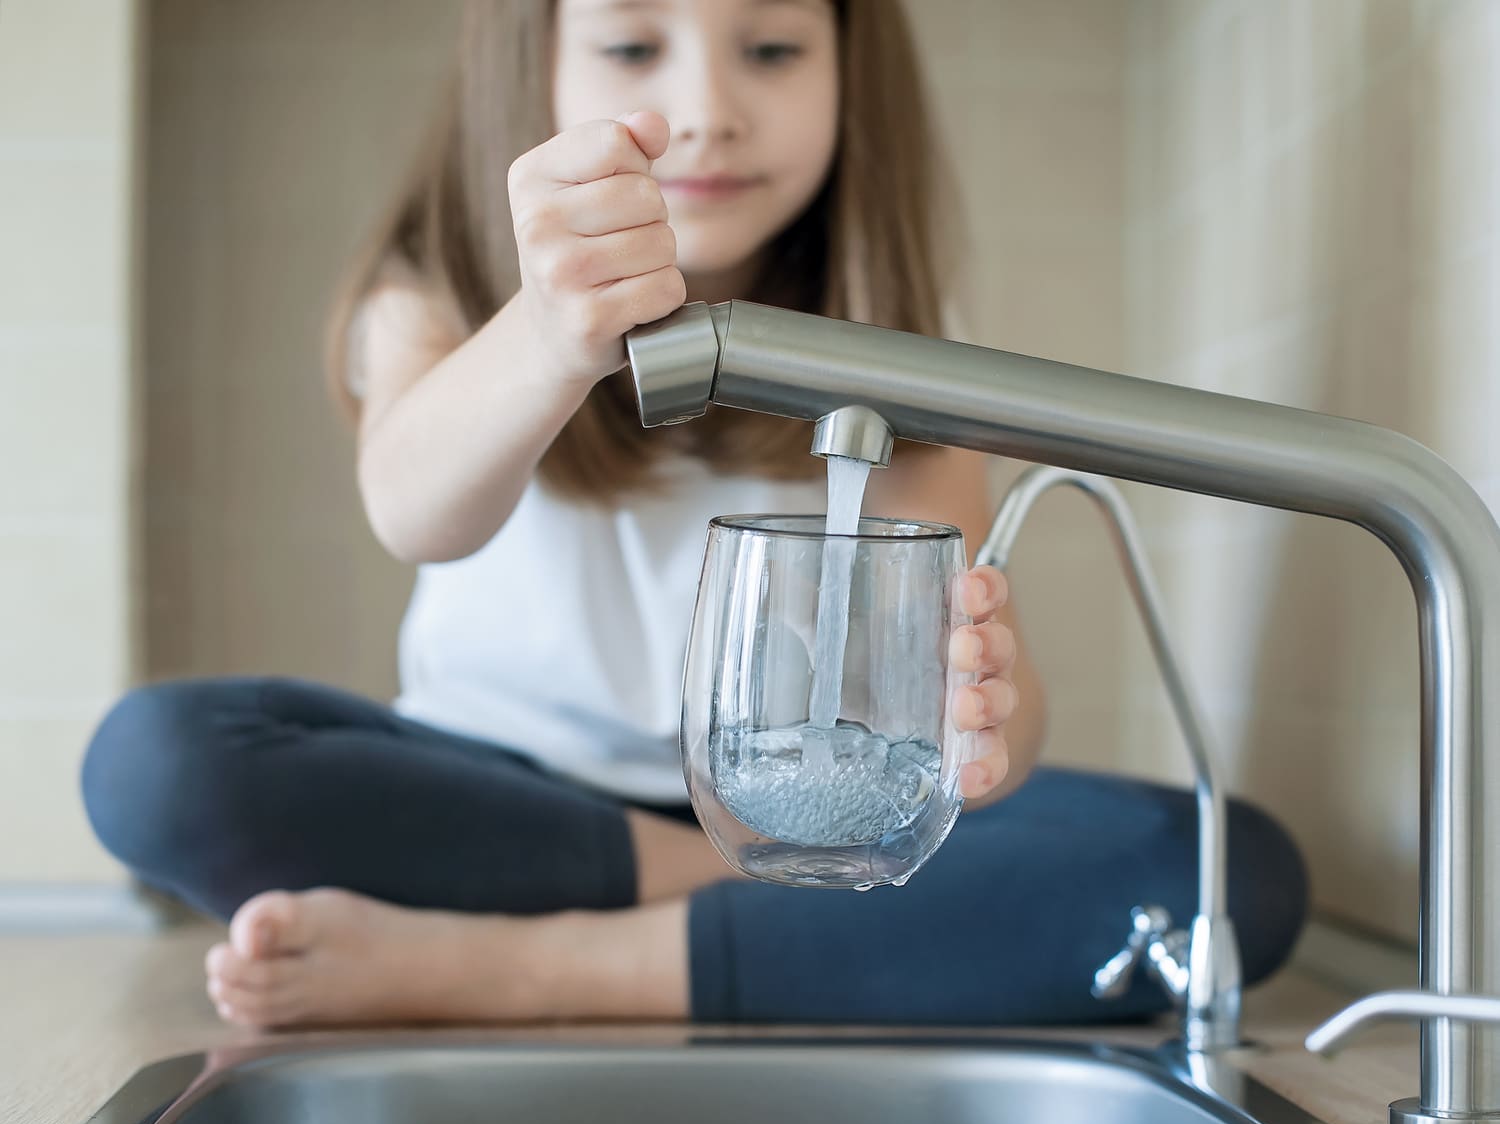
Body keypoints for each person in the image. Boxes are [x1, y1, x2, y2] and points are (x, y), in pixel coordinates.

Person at [81, 0, 1306, 1030]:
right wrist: (550, 335)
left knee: (1223, 867)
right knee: (158, 765)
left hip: (796, 808)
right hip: (504, 802)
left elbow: (989, 733)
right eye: (632, 50)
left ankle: (500, 968)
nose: (709, 107)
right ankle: (739, 918)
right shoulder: (438, 281)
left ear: (849, 67)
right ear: (536, 59)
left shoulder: (904, 352)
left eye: (770, 50)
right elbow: (414, 509)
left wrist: (982, 716)